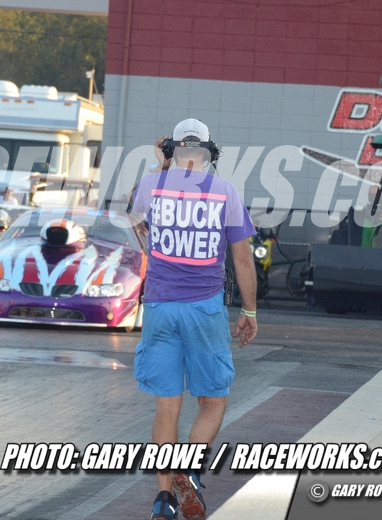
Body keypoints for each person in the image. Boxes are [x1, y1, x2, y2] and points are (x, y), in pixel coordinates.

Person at [131, 119, 257, 520]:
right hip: (204, 309)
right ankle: (190, 468)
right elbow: (242, 258)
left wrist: (162, 164)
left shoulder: (151, 186)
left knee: (167, 406)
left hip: (159, 309)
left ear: (172, 149)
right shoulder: (225, 192)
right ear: (209, 152)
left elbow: (136, 219)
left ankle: (164, 498)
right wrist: (249, 310)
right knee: (213, 400)